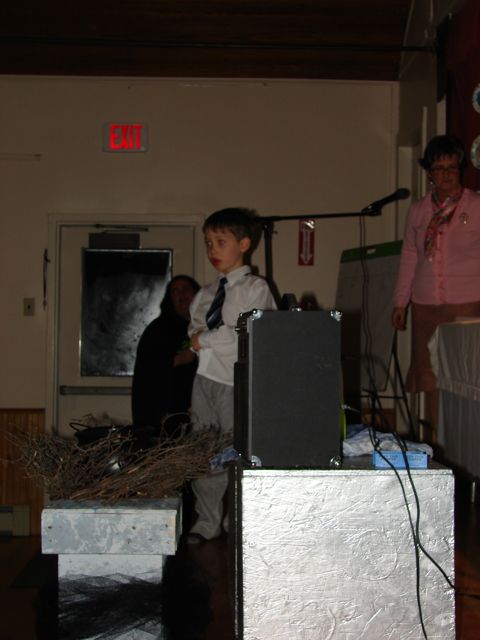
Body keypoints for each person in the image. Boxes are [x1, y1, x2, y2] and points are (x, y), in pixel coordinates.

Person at [187, 207, 276, 543]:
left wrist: (206, 339)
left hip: (237, 382)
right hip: (204, 380)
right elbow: (194, 331)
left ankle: (239, 518)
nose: (213, 250)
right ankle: (207, 520)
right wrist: (204, 338)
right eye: (208, 242)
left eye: (220, 242)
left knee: (238, 451)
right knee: (205, 452)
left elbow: (246, 333)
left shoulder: (255, 289)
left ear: (244, 244)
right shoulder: (205, 294)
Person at [392, 134, 480, 441]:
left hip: (467, 305)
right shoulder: (418, 210)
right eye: (439, 168)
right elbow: (409, 256)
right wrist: (400, 302)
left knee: (466, 378)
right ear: (429, 172)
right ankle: (435, 446)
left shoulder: (475, 205)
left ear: (460, 169)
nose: (446, 174)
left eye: (452, 167)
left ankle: (465, 444)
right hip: (426, 305)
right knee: (431, 381)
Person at [131, 275, 200, 434]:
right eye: (175, 291)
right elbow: (147, 370)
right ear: (170, 299)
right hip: (164, 417)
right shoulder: (158, 330)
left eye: (186, 289)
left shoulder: (205, 325)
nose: (182, 294)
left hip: (197, 410)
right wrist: (179, 359)